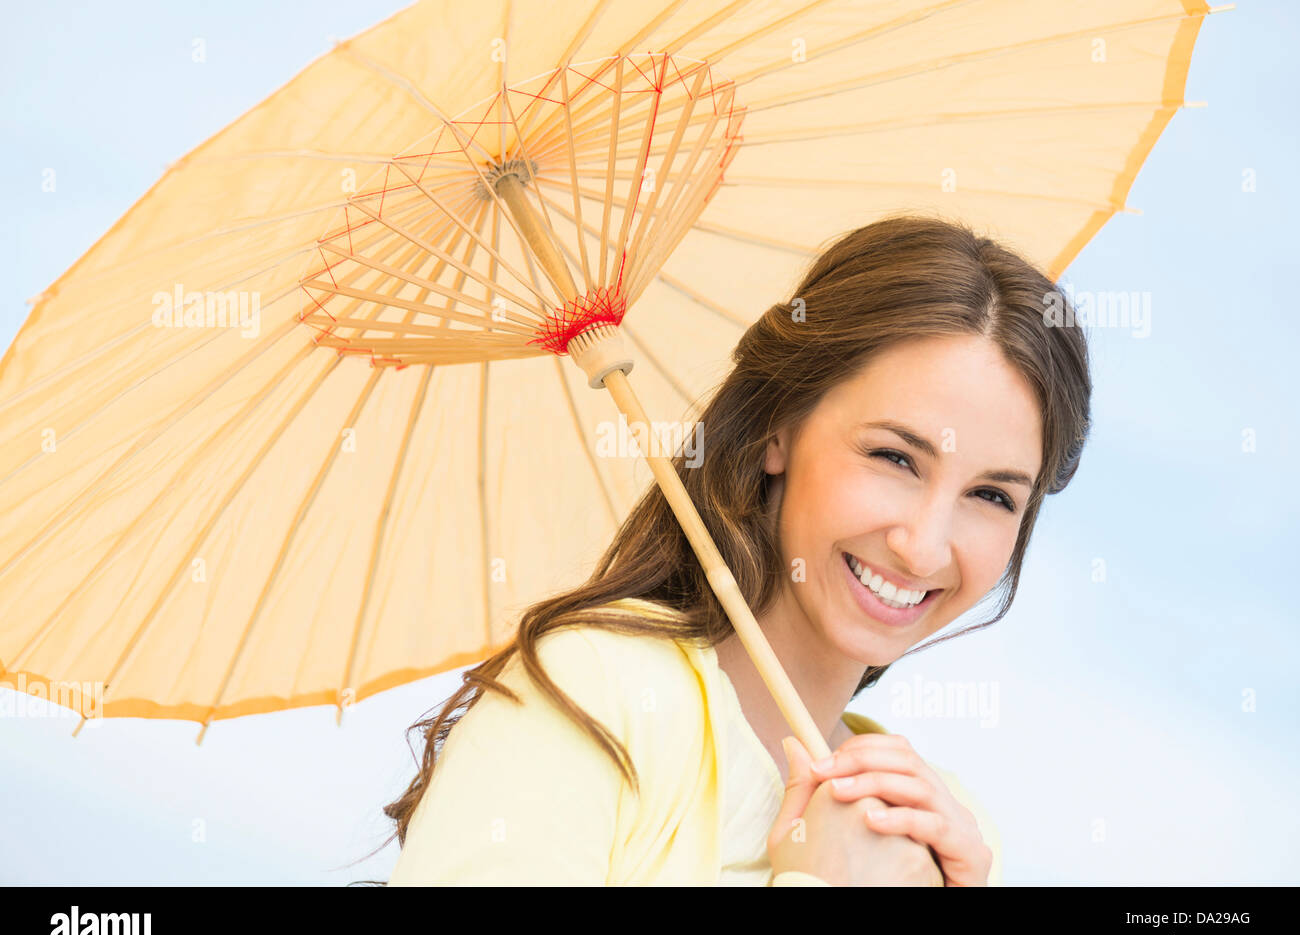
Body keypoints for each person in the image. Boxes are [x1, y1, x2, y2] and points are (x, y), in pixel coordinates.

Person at [379, 214, 1092, 885]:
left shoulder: (943, 829)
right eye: (894, 457)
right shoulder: (594, 695)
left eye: (993, 496)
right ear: (779, 428)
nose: (923, 546)